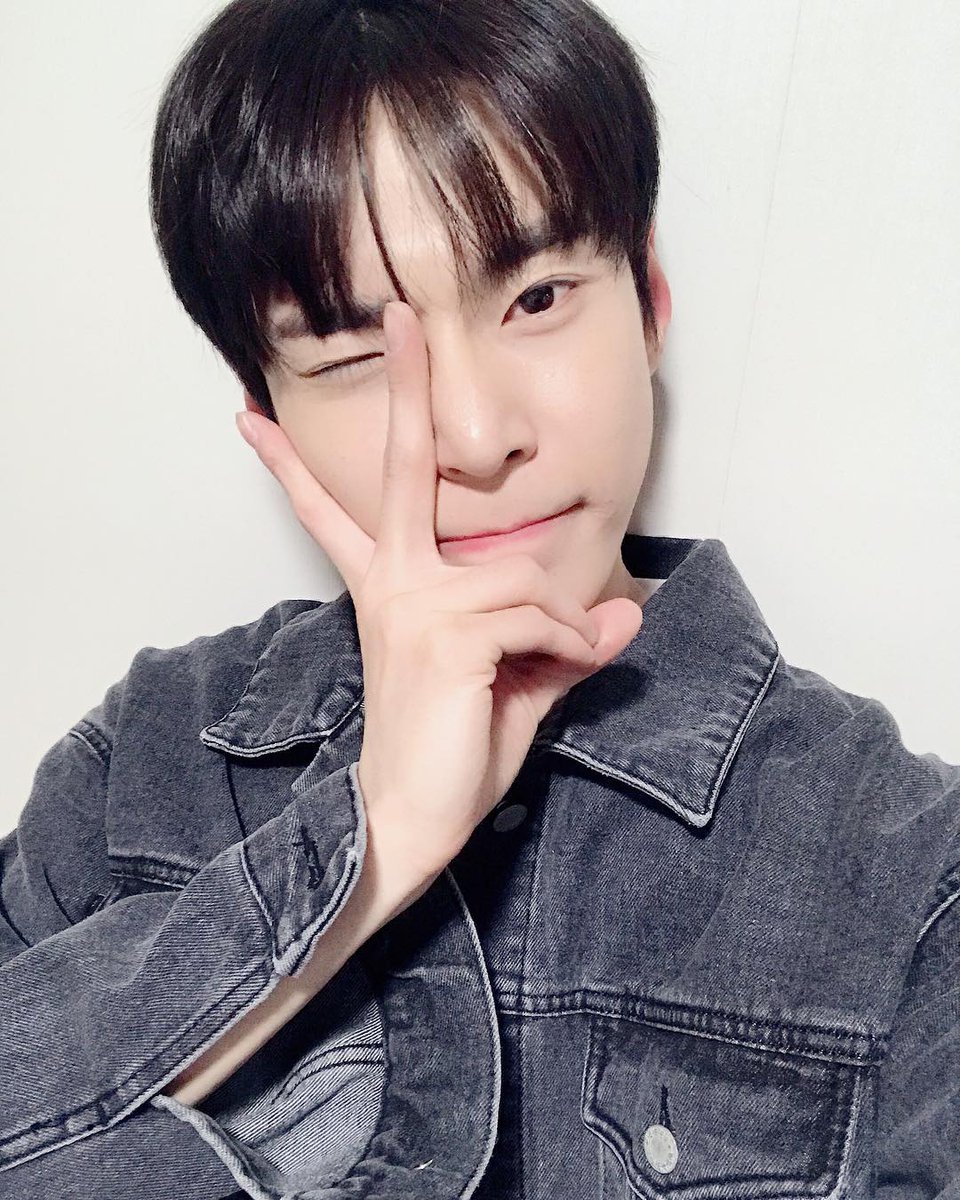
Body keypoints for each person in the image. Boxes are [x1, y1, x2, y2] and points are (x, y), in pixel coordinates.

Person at [1, 0, 958, 1196]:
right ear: (267, 411)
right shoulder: (139, 770)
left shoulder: (912, 875)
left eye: (538, 299)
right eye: (355, 356)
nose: (472, 434)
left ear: (650, 304)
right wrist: (368, 845)